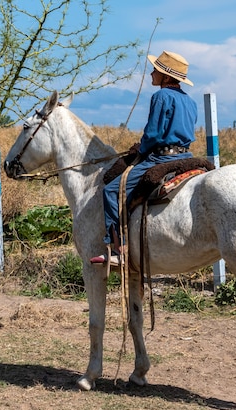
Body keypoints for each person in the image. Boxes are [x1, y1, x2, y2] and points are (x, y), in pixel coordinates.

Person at [90, 50, 198, 265]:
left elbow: (154, 134)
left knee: (111, 190)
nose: (151, 74)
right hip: (185, 155)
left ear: (166, 77)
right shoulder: (190, 101)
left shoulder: (161, 96)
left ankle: (119, 249)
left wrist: (140, 149)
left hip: (162, 159)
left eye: (155, 71)